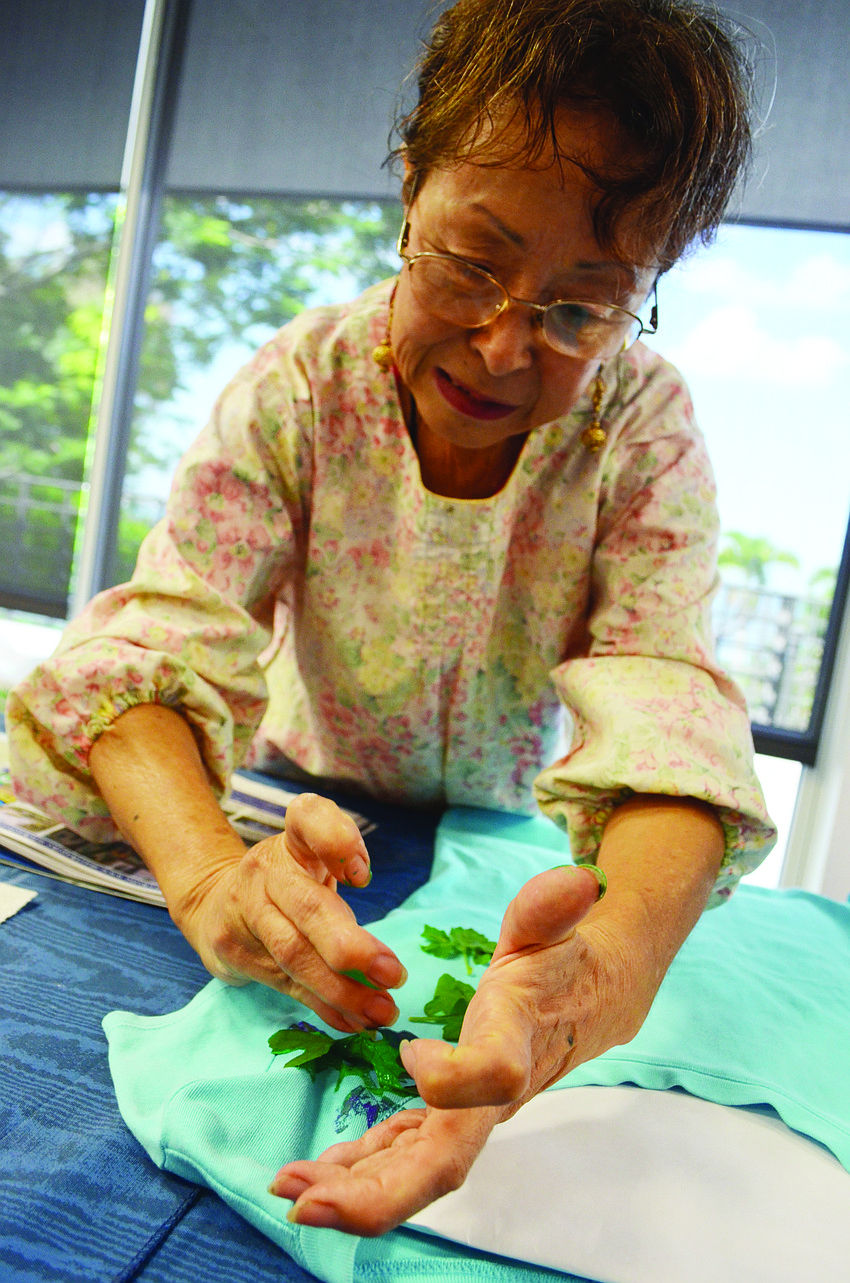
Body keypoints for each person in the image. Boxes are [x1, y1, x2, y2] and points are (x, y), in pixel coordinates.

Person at [8, 0, 775, 1237]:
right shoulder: (303, 383)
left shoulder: (636, 425)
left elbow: (663, 699)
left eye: (579, 308)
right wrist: (208, 875)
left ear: (645, 291)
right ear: (408, 184)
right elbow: (141, 652)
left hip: (496, 831)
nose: (501, 342)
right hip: (298, 807)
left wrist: (609, 965)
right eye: (470, 260)